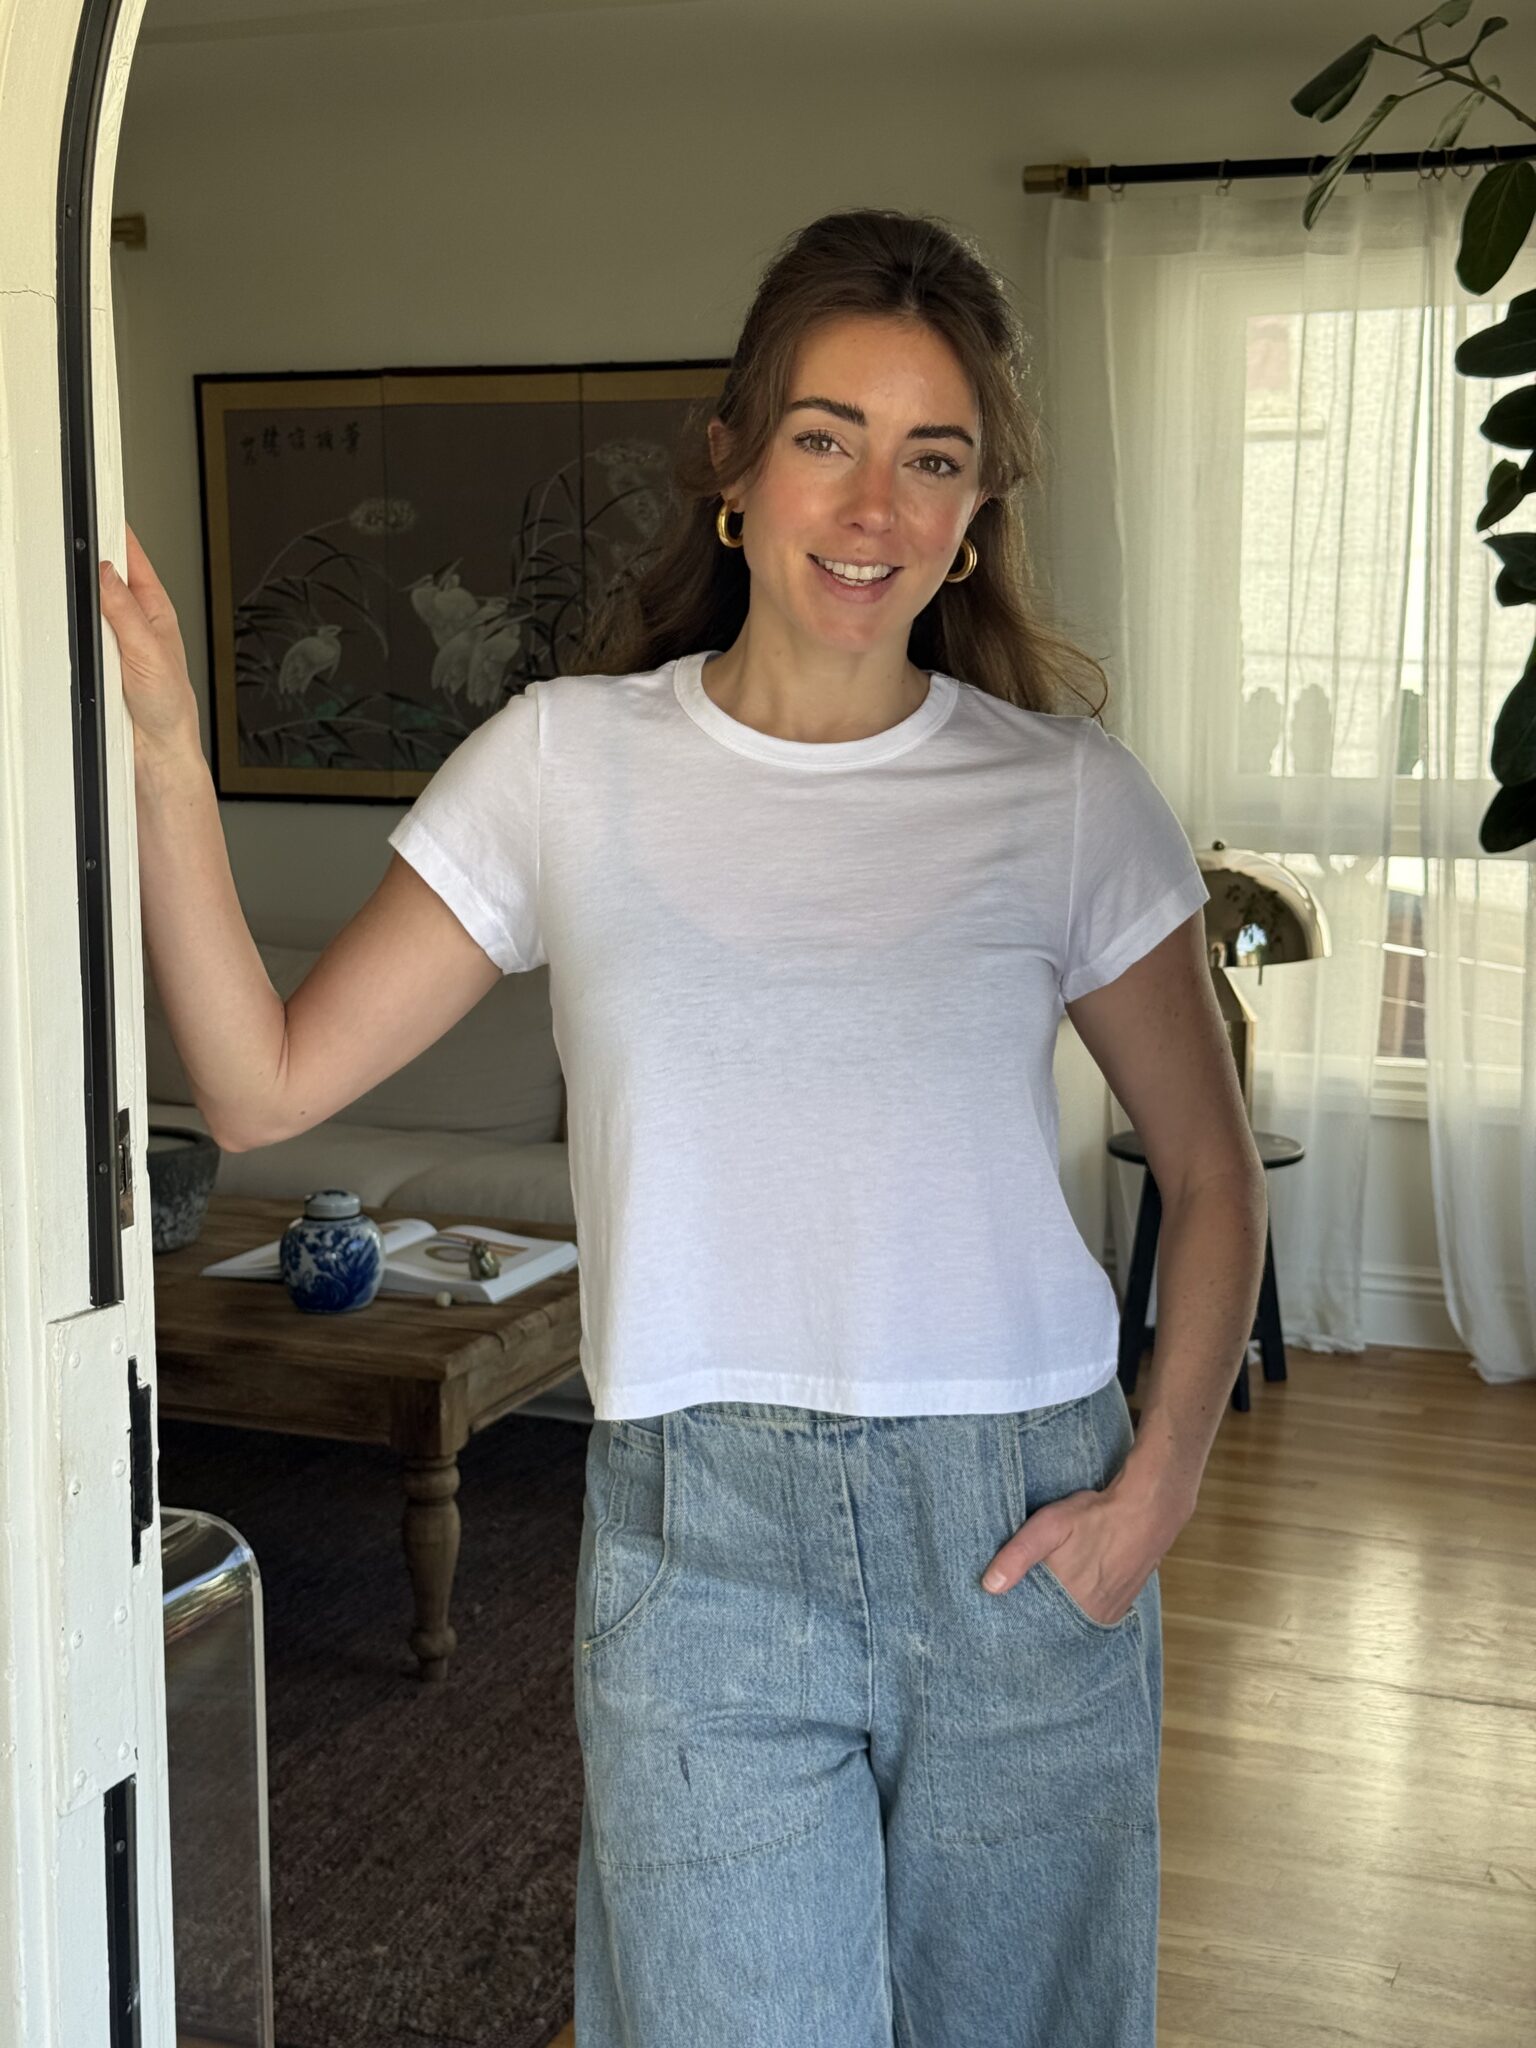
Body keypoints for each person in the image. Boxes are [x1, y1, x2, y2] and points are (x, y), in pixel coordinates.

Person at [105, 207, 1267, 2047]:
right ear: (734, 464)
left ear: (977, 511)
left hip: (1025, 1517)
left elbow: (1209, 1177)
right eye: (828, 437)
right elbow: (258, 1087)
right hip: (702, 1543)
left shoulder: (1064, 796)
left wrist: (1162, 1487)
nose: (873, 505)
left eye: (932, 457)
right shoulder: (568, 762)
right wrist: (169, 754)